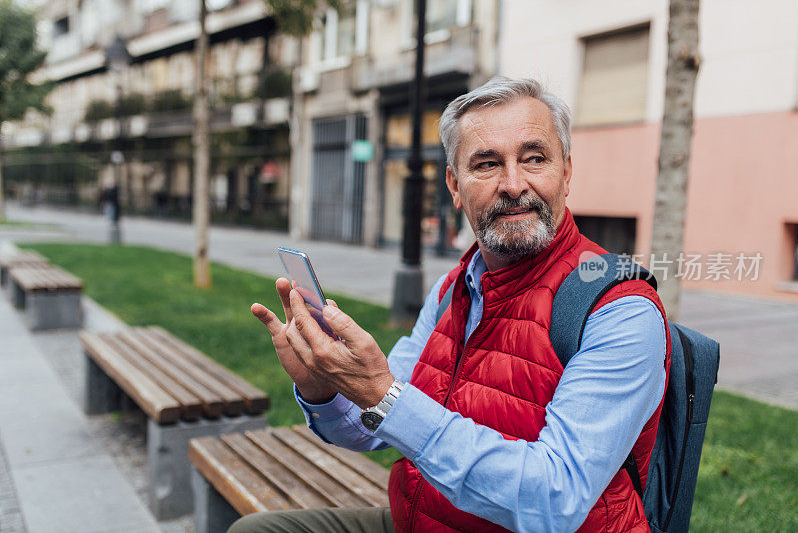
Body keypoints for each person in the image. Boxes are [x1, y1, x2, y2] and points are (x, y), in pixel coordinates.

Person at [233, 77, 671, 533]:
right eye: (486, 164)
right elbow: (370, 426)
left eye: (534, 159)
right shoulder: (452, 289)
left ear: (566, 174)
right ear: (454, 186)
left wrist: (384, 394)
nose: (513, 183)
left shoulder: (619, 309)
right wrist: (324, 387)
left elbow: (554, 499)